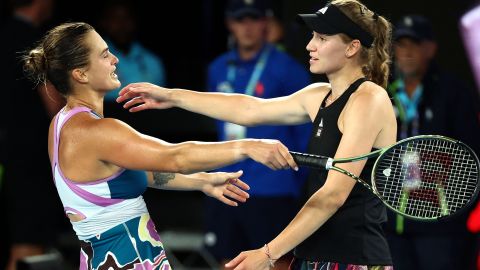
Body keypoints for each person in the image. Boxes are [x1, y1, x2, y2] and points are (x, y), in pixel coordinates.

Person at [117, 0, 396, 269]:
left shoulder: (368, 98)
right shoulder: (320, 95)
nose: (310, 45)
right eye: (313, 36)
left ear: (352, 47)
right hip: (312, 253)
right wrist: (173, 96)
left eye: (322, 38)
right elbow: (248, 108)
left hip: (355, 259)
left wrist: (268, 253)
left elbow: (334, 194)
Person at [22, 22, 299, 270]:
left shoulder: (61, 124)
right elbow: (175, 156)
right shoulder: (96, 131)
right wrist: (247, 146)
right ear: (80, 74)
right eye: (104, 54)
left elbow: (138, 173)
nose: (115, 59)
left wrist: (202, 181)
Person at [205, 0, 311, 267]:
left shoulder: (289, 69)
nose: (247, 27)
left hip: (273, 188)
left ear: (266, 22)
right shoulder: (217, 68)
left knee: (277, 262)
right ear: (230, 24)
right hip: (226, 183)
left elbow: (306, 134)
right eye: (241, 20)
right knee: (228, 262)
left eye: (253, 19)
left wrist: (294, 183)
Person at [385, 14, 480, 270]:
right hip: (392, 221)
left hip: (440, 224)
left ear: (430, 48)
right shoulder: (384, 92)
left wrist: (456, 212)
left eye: (414, 44)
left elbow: (471, 156)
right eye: (400, 44)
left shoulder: (453, 92)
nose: (406, 52)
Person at [0, 0, 65, 269]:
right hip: (28, 158)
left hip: (8, 155)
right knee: (28, 248)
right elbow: (54, 105)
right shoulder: (30, 42)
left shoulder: (3, 33)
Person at [98, 0, 167, 130]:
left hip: (148, 129)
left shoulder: (153, 62)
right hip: (104, 129)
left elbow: (161, 104)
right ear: (104, 22)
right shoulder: (93, 60)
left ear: (135, 22)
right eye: (115, 19)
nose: (121, 25)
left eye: (126, 18)